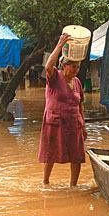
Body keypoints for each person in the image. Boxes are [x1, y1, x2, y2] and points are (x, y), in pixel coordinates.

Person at [38, 33, 87, 186]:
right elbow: (48, 66)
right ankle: (45, 182)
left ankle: (74, 186)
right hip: (55, 122)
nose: (76, 70)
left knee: (77, 156)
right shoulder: (54, 78)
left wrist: (83, 125)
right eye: (73, 66)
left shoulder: (77, 82)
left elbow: (80, 105)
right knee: (50, 155)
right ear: (64, 66)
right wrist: (60, 45)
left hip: (74, 123)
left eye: (78, 67)